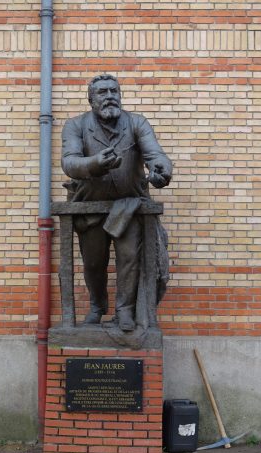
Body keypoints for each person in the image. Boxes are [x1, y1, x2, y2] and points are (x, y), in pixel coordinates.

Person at [61, 74, 172, 332]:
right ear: (91, 99)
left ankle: (124, 311)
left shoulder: (136, 123)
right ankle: (98, 306)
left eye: (114, 91)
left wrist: (162, 170)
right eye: (102, 92)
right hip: (91, 209)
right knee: (93, 263)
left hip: (129, 206)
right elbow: (69, 162)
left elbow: (156, 154)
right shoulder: (75, 126)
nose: (109, 96)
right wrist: (94, 164)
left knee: (129, 258)